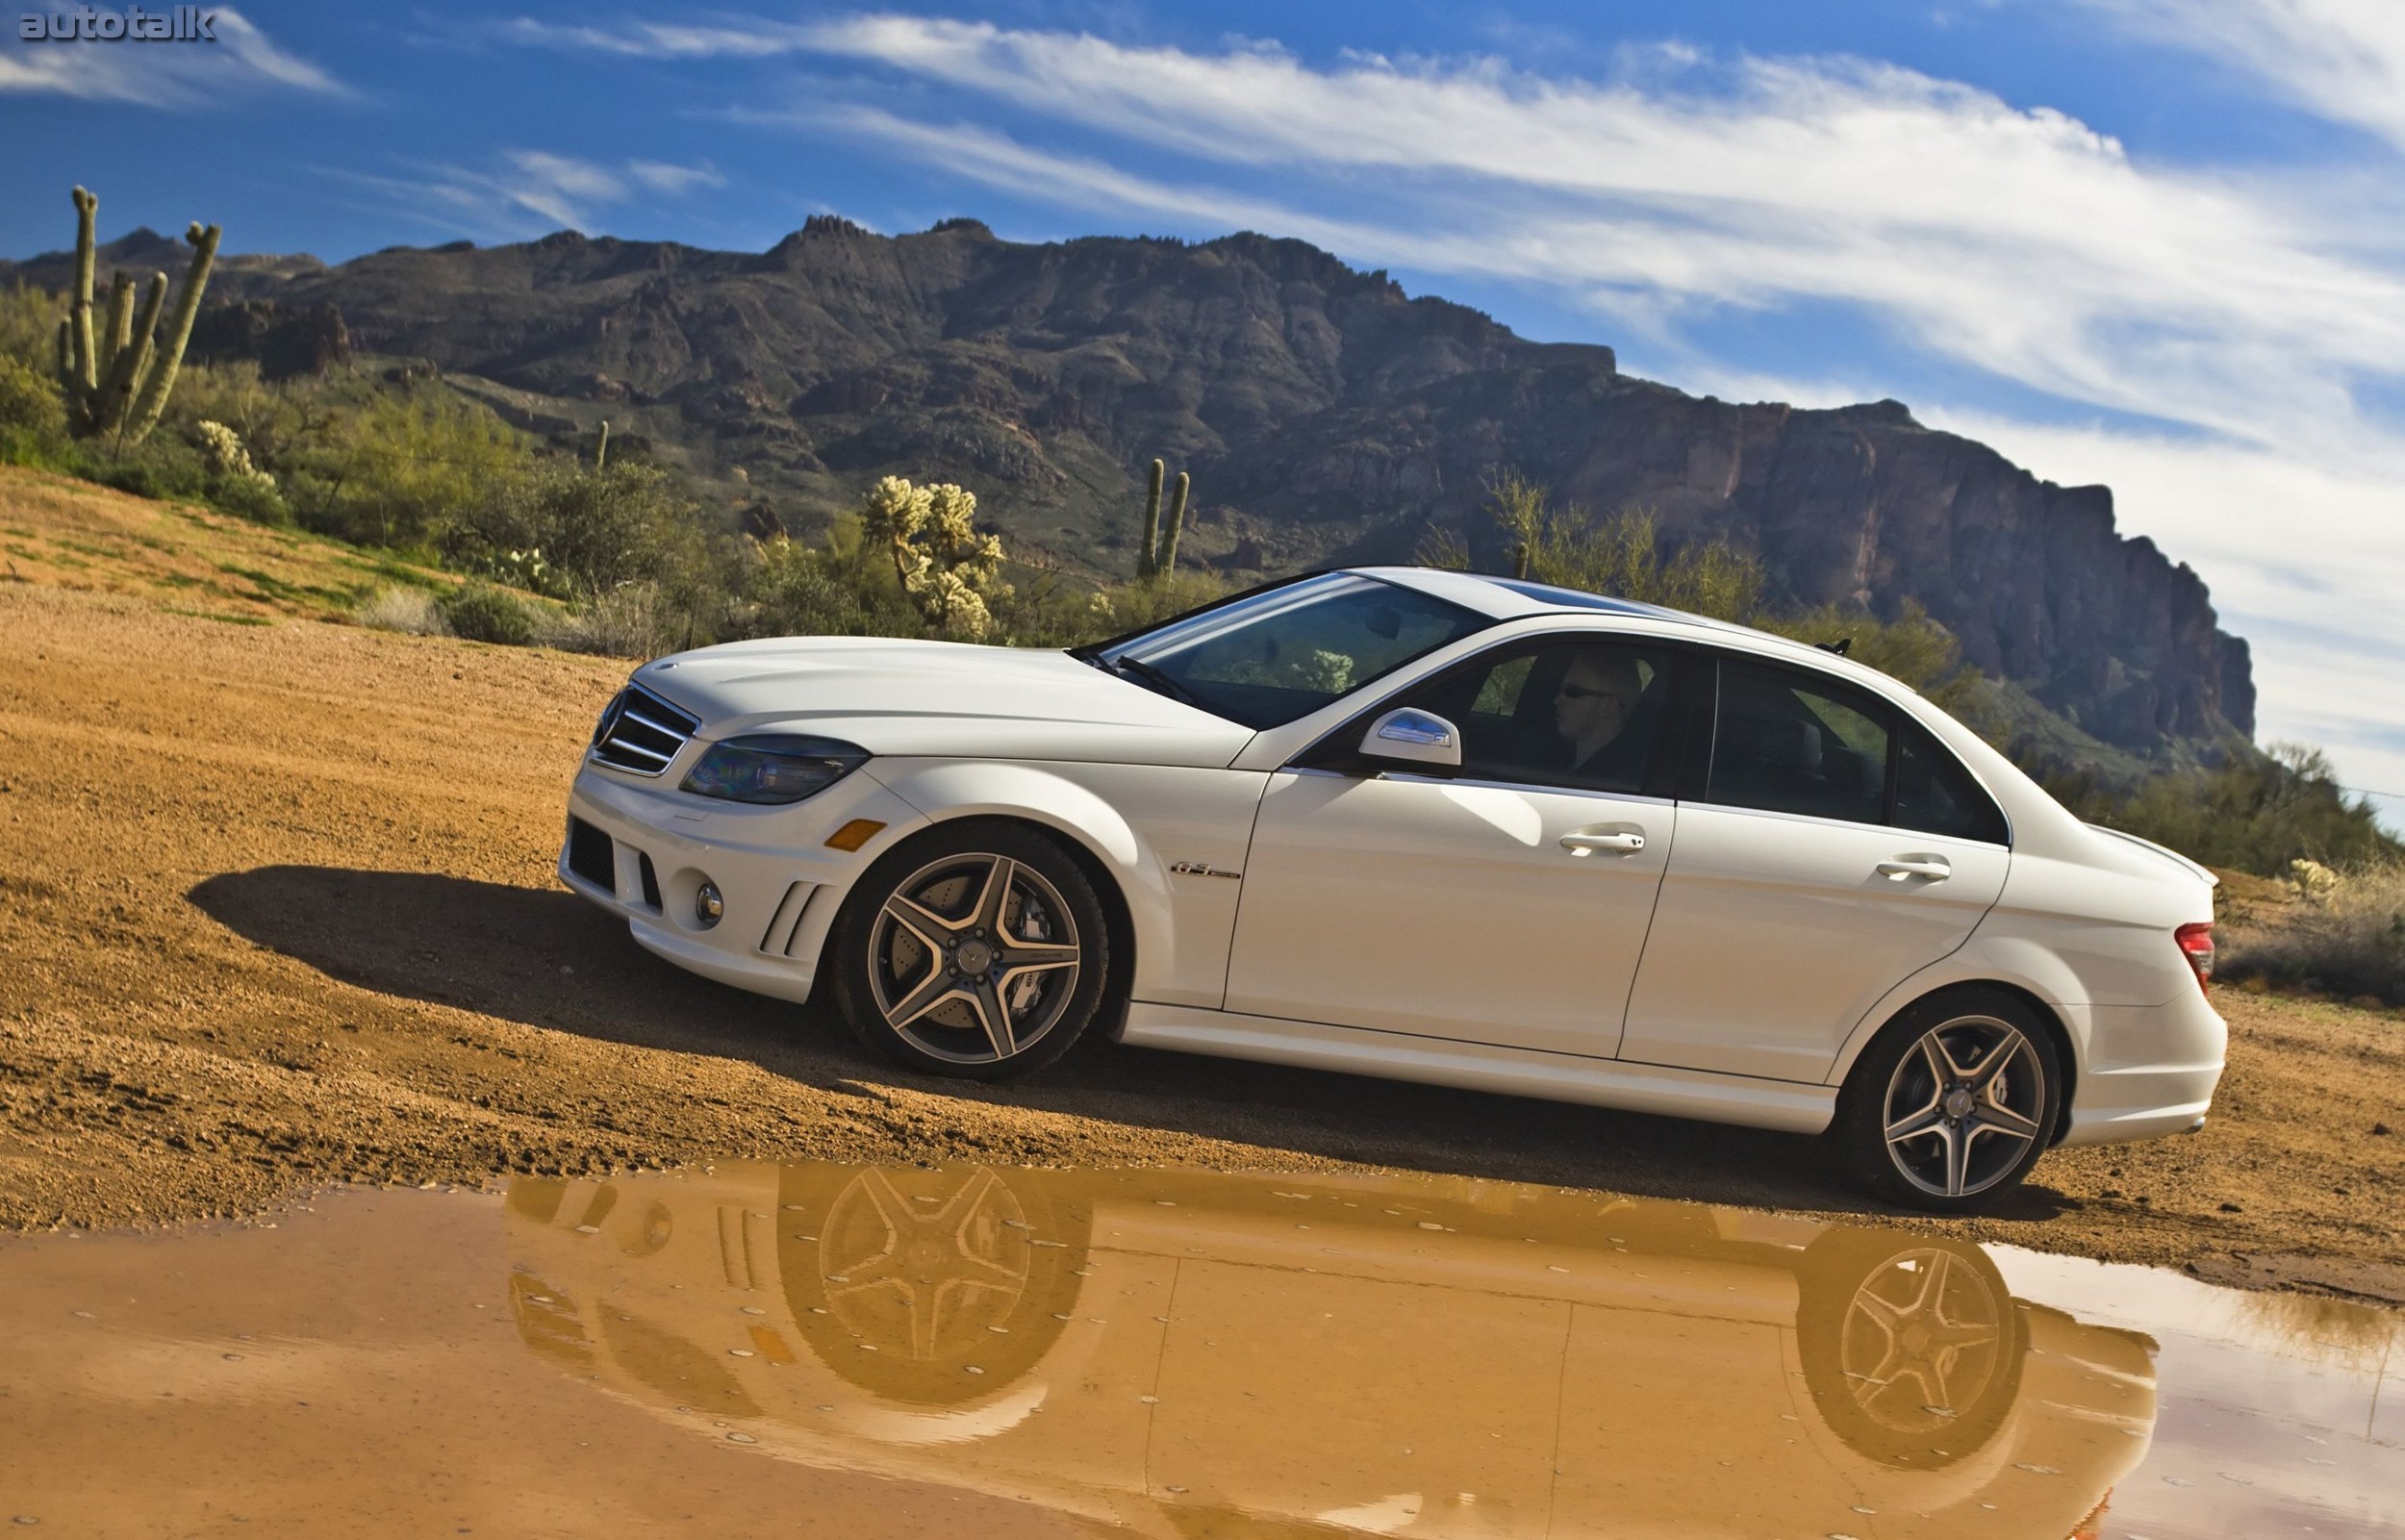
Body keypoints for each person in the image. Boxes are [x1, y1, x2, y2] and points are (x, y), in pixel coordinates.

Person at [1552, 649, 1654, 789]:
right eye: (1561, 688)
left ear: (1607, 706)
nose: (1557, 700)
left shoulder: (1617, 781)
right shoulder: (1554, 758)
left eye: (1572, 691)